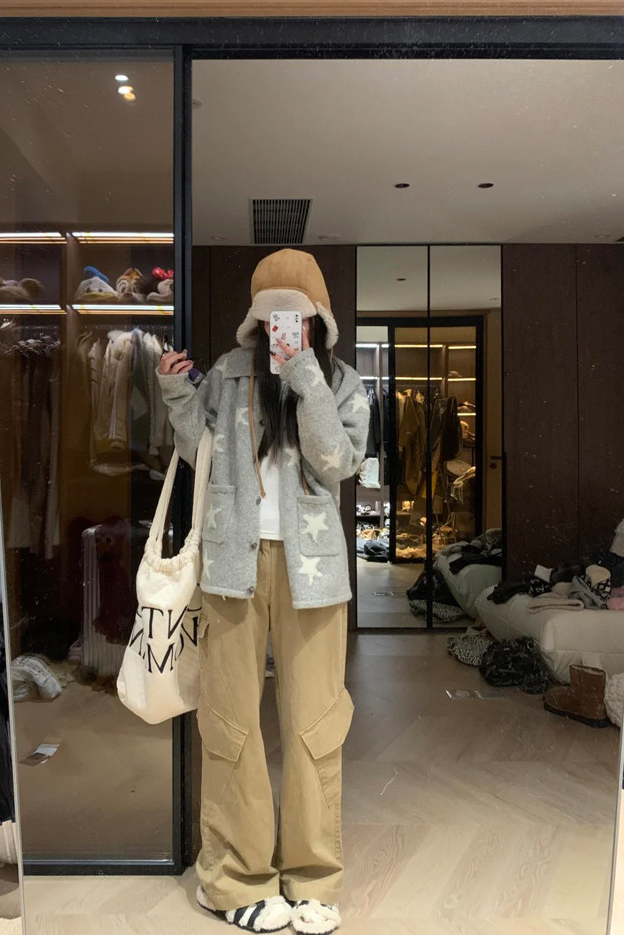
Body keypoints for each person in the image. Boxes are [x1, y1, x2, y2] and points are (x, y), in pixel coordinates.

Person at [157, 249, 370, 934]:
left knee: (316, 723)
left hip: (315, 575)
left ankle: (313, 878)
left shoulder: (341, 381)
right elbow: (199, 454)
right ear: (255, 321)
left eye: (296, 318)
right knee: (230, 722)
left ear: (318, 322)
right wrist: (177, 395)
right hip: (232, 566)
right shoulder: (227, 372)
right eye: (273, 318)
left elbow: (338, 463)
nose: (284, 329)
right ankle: (232, 879)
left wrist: (303, 373)